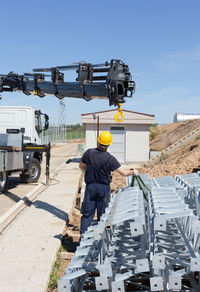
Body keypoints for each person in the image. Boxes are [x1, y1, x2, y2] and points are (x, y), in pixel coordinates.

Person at [79, 131, 139, 235]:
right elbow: (124, 173)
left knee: (87, 214)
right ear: (108, 145)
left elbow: (81, 166)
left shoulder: (88, 153)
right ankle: (99, 241)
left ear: (98, 142)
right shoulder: (110, 159)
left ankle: (82, 240)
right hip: (103, 189)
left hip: (90, 188)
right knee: (102, 216)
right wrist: (133, 171)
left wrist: (88, 170)